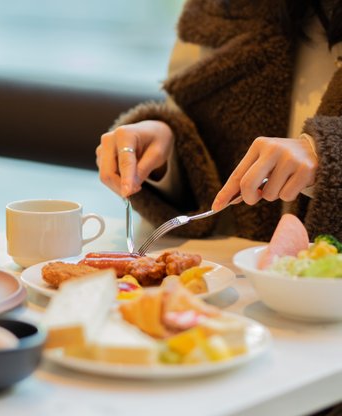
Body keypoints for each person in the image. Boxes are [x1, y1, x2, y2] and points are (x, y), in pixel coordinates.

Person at [96, 0, 342, 242]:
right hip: (229, 275)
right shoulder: (220, 8)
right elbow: (200, 139)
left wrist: (330, 154)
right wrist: (167, 150)